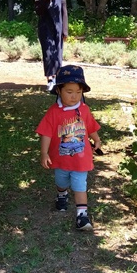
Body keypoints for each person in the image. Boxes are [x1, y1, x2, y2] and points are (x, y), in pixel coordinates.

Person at [36, 65, 101, 230]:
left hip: (81, 159)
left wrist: (97, 140)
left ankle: (82, 217)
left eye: (79, 92)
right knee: (61, 182)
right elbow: (46, 133)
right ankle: (62, 195)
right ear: (59, 90)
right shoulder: (53, 112)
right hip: (61, 158)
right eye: (69, 91)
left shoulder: (84, 109)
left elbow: (90, 127)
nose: (74, 96)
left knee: (80, 185)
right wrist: (44, 153)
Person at [34, 0, 69, 91]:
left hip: (58, 29)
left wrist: (65, 31)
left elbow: (64, 14)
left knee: (58, 54)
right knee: (49, 53)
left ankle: (57, 78)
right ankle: (50, 79)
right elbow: (39, 11)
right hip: (45, 30)